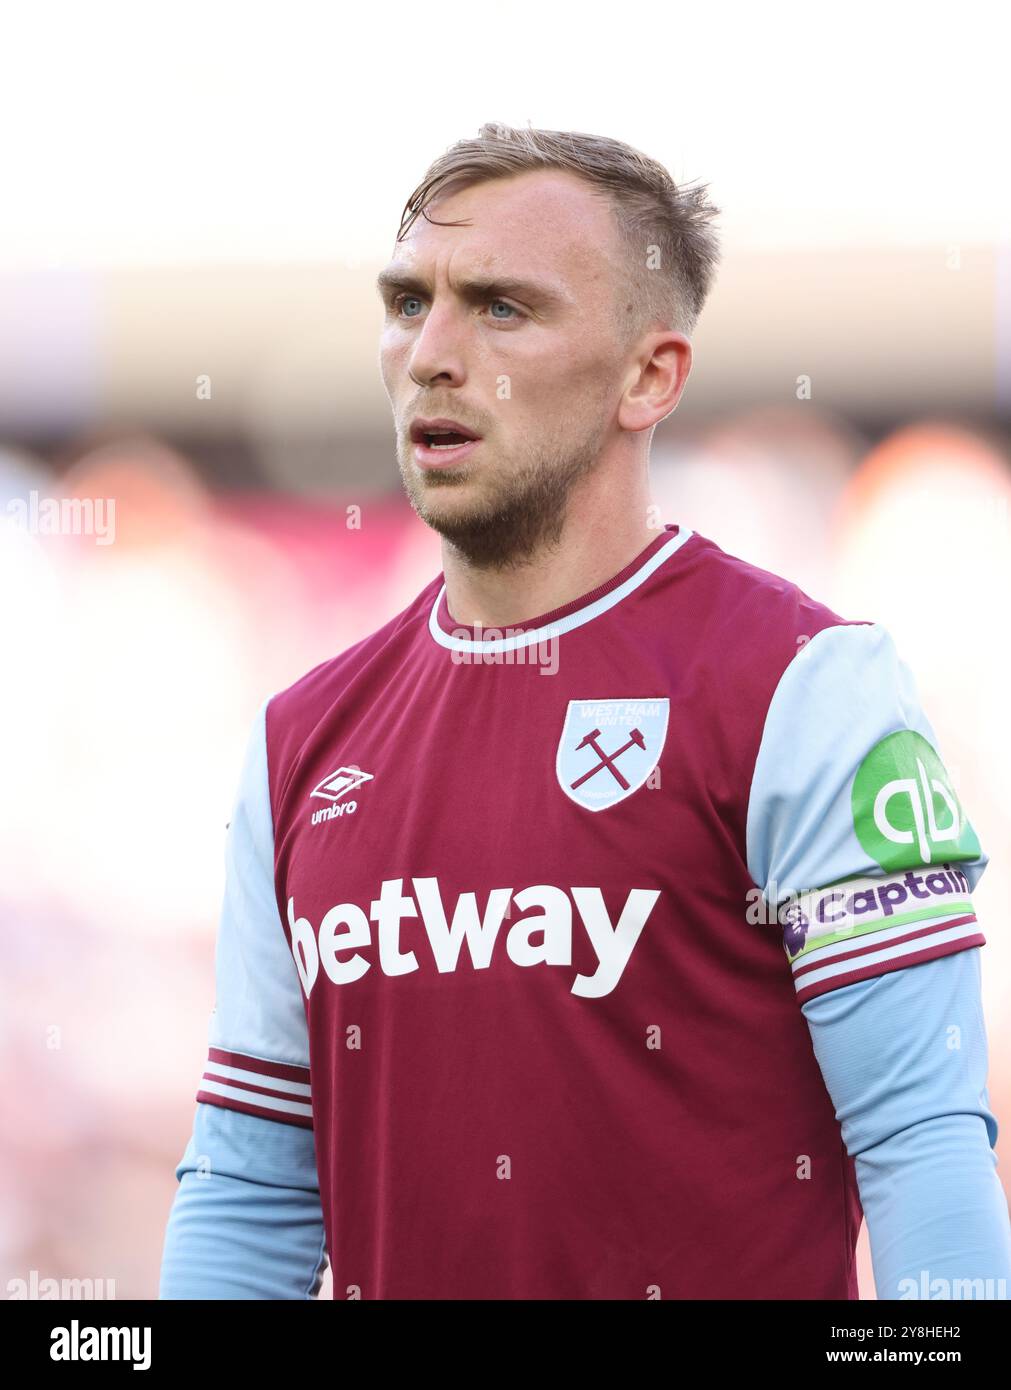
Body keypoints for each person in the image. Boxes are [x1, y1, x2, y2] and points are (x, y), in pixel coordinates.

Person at [160, 122, 1010, 1300]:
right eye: (409, 302)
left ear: (649, 375)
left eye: (503, 308)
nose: (433, 354)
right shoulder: (300, 740)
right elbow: (251, 1190)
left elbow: (924, 1147)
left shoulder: (806, 687)